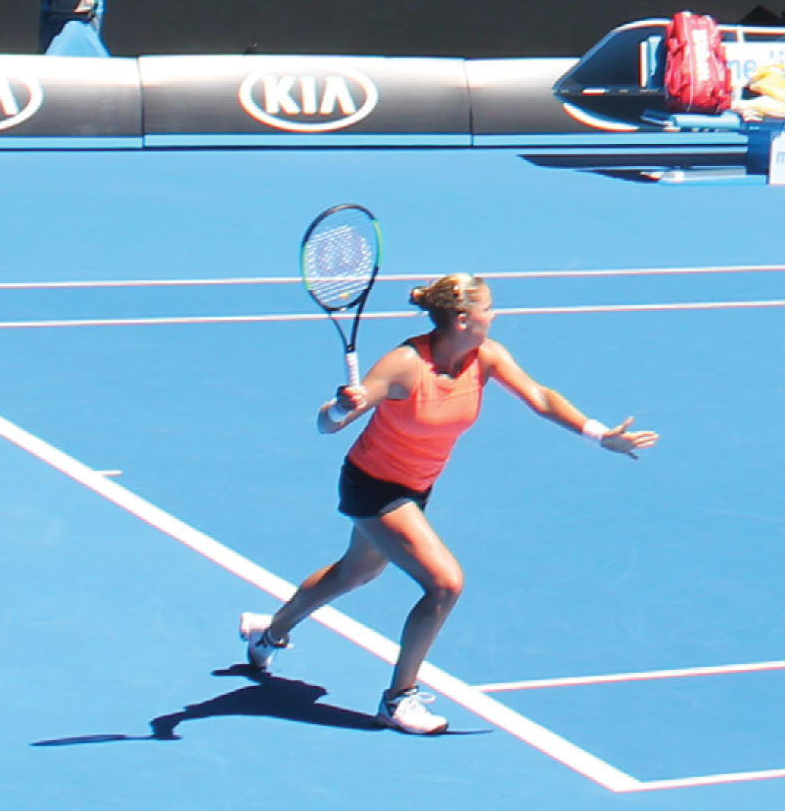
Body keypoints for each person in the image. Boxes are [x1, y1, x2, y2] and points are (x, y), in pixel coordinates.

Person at [241, 269, 656, 734]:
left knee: (354, 573)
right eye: (487, 308)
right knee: (444, 584)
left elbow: (538, 396)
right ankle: (398, 699)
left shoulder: (487, 358)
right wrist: (341, 406)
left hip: (415, 488)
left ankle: (269, 632)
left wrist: (599, 435)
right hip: (374, 487)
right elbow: (327, 424)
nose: (494, 315)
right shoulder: (404, 365)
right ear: (462, 319)